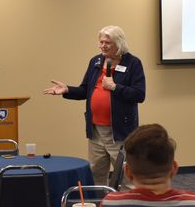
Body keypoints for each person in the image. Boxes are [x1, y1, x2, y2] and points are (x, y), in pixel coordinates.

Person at [43, 25, 146, 185]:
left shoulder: (133, 63)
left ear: (118, 43)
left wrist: (115, 87)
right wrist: (67, 90)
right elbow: (85, 90)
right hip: (96, 131)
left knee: (127, 176)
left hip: (119, 131)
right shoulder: (96, 61)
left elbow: (139, 94)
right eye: (101, 42)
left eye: (107, 43)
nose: (102, 46)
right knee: (96, 174)